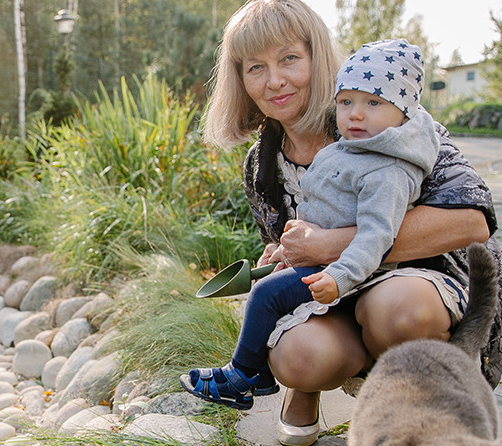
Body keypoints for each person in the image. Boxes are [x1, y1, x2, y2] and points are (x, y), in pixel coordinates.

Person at [184, 0, 502, 446]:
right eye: (255, 67)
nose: (275, 81)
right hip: (338, 291)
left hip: (420, 278)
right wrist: (286, 252)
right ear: (240, 78)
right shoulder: (261, 163)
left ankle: (412, 418)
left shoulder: (379, 114)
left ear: (316, 57)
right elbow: (298, 247)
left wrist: (329, 244)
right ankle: (302, 388)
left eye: (289, 59)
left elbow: (471, 222)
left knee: (398, 311)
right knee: (299, 356)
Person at [182, 37, 440, 412]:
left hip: (354, 273)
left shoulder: (387, 168)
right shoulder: (349, 148)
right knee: (269, 290)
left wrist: (336, 270)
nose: (354, 114)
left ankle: (242, 376)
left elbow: (377, 234)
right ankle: (266, 374)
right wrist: (286, 247)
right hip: (328, 270)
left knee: (266, 295)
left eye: (373, 103)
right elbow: (324, 206)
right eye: (347, 102)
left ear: (403, 113)